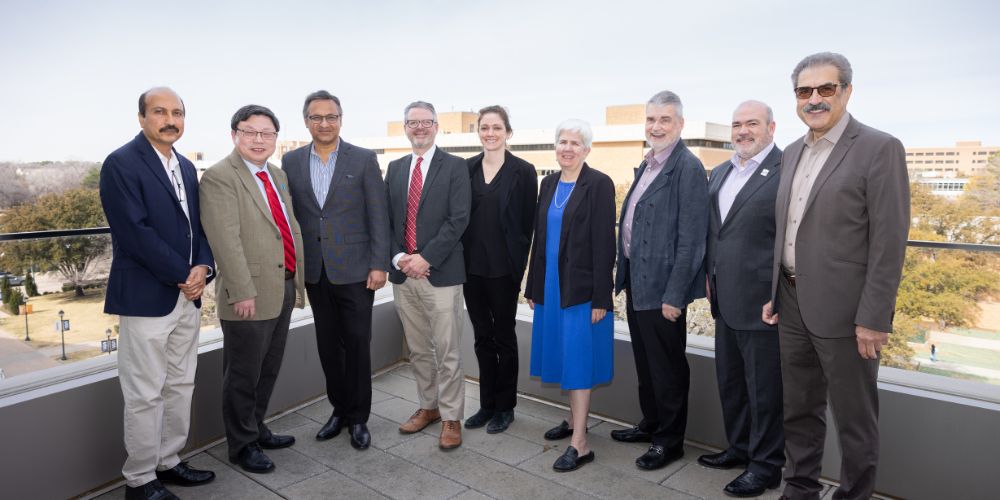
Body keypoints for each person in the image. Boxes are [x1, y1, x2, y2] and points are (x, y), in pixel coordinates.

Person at [762, 52, 910, 500]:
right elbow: (787, 229)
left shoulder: (879, 147)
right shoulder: (791, 152)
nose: (815, 99)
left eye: (826, 88)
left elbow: (888, 241)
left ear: (846, 91)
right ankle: (799, 489)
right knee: (799, 410)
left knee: (854, 421)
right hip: (791, 304)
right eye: (804, 91)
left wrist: (874, 317)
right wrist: (775, 292)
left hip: (848, 315)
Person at [100, 87, 216, 500]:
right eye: (160, 112)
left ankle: (169, 461)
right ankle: (140, 479)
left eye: (177, 113)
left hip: (188, 295)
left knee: (180, 384)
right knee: (144, 392)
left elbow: (198, 227)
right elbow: (134, 233)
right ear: (142, 118)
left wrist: (204, 268)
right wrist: (184, 274)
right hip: (147, 297)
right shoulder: (121, 163)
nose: (170, 120)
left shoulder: (185, 166)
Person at [200, 105, 306, 474]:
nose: (259, 139)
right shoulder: (219, 177)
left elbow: (285, 227)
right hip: (249, 293)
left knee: (268, 368)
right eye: (250, 132)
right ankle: (242, 445)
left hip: (283, 284)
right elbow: (225, 240)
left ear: (276, 138)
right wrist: (241, 290)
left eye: (267, 133)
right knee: (243, 374)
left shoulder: (276, 175)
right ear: (235, 135)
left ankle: (256, 428)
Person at [282, 91, 390, 450]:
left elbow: (378, 214)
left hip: (357, 271)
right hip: (316, 271)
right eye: (317, 117)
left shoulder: (362, 158)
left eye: (331, 116)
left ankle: (359, 418)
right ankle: (339, 410)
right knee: (328, 347)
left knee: (357, 345)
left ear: (341, 119)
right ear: (306, 122)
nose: (324, 123)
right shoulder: (292, 161)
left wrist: (379, 264)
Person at [611, 90, 708, 471]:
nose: (656, 126)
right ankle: (651, 424)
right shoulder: (648, 164)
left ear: (680, 124)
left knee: (667, 369)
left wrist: (675, 295)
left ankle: (669, 442)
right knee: (647, 363)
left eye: (665, 119)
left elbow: (692, 240)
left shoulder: (687, 167)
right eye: (651, 119)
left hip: (664, 290)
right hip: (638, 283)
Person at [700, 100, 784, 497]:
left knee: (764, 391)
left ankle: (765, 466)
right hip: (723, 298)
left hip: (762, 304)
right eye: (737, 124)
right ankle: (739, 448)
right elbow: (714, 232)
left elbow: (793, 239)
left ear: (771, 128)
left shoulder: (786, 170)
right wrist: (708, 275)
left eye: (752, 123)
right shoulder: (720, 171)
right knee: (731, 382)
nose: (743, 131)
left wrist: (781, 295)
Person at [525, 119, 616, 472]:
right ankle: (573, 420)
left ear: (587, 150)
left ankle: (580, 443)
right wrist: (533, 286)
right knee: (564, 354)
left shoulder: (599, 184)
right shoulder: (548, 183)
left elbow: (605, 244)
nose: (567, 148)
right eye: (563, 141)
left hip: (580, 290)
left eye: (575, 143)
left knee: (577, 361)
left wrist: (601, 298)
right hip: (550, 286)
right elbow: (540, 238)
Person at [386, 101, 471, 450]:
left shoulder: (455, 167)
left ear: (436, 126)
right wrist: (399, 257)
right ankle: (429, 406)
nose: (419, 128)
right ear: (405, 127)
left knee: (448, 351)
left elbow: (459, 218)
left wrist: (426, 258)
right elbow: (386, 219)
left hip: (441, 274)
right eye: (412, 122)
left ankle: (451, 417)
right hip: (404, 275)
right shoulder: (394, 168)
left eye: (426, 122)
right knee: (419, 350)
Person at [461, 105, 537, 434]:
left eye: (497, 127)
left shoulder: (524, 171)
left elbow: (528, 226)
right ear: (478, 132)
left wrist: (519, 269)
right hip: (471, 270)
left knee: (504, 338)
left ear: (508, 132)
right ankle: (486, 404)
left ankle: (505, 407)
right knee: (482, 338)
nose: (490, 133)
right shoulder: (465, 169)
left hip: (504, 271)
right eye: (484, 127)